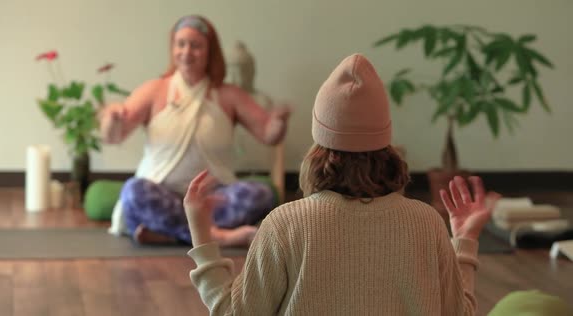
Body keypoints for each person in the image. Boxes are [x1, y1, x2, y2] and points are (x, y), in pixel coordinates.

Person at [183, 53, 498, 315]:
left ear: (317, 149)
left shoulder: (284, 225)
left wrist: (201, 233)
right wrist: (466, 239)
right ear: (387, 148)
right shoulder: (426, 223)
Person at [100, 15, 290, 247]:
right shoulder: (154, 90)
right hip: (162, 196)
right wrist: (112, 118)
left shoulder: (228, 95)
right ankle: (218, 237)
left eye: (196, 45)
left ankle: (170, 235)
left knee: (262, 194)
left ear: (210, 51)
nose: (187, 52)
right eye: (181, 44)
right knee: (133, 191)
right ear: (173, 48)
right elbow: (113, 136)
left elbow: (268, 135)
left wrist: (278, 122)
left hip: (211, 201)